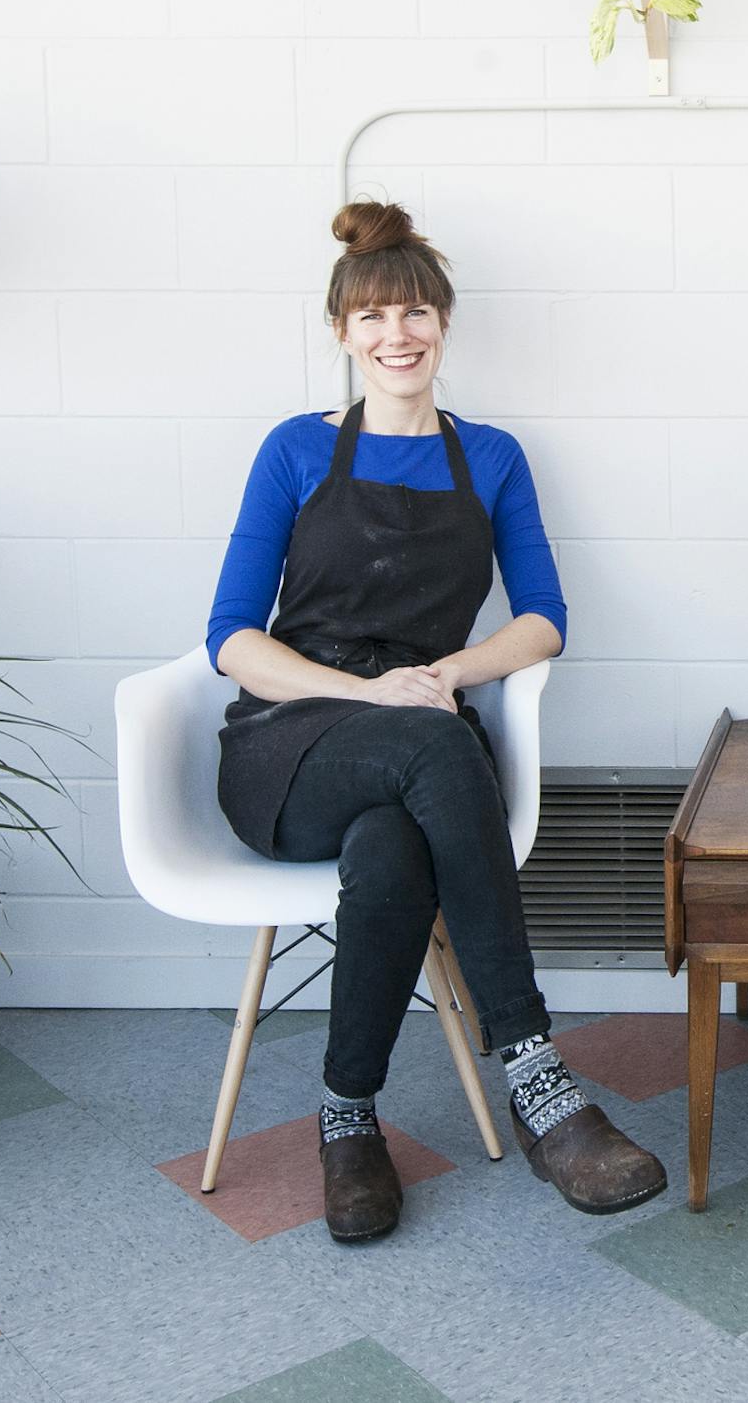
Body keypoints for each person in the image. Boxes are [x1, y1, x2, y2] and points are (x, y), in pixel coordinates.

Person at [207, 200, 666, 1242]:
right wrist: (371, 694)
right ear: (342, 334)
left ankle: (347, 1119)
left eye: (415, 312)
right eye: (372, 317)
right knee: (434, 743)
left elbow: (545, 621)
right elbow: (231, 638)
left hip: (413, 742)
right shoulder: (292, 450)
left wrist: (449, 669)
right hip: (288, 748)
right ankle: (540, 1077)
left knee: (392, 850)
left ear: (445, 324)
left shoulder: (493, 456)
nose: (395, 335)